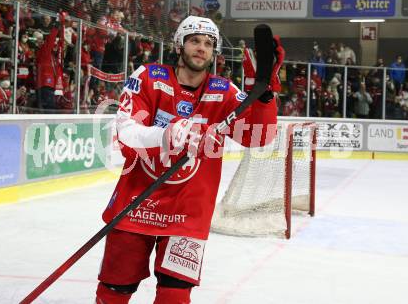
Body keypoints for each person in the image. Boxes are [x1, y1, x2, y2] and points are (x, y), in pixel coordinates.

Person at [95, 15, 284, 304]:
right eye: (195, 40)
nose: (202, 48)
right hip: (136, 206)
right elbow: (125, 131)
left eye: (209, 43)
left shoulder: (224, 91)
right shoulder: (149, 76)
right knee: (114, 292)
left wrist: (264, 93)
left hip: (188, 214)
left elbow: (258, 138)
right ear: (179, 45)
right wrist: (166, 135)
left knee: (174, 296)